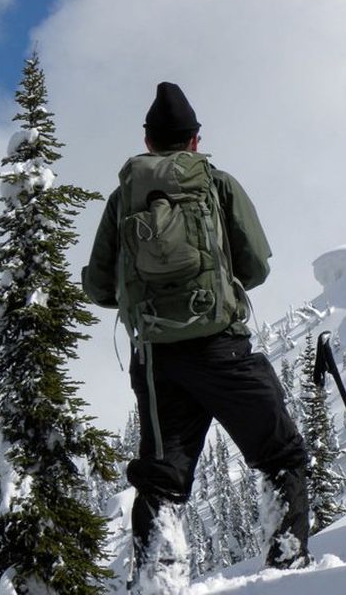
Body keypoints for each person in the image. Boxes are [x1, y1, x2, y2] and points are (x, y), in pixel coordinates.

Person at [82, 82, 311, 585]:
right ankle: (289, 571)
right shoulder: (217, 183)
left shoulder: (125, 197)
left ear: (148, 141)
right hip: (221, 348)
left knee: (161, 481)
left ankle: (157, 580)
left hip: (156, 357)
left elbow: (98, 287)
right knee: (282, 454)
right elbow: (255, 266)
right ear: (194, 140)